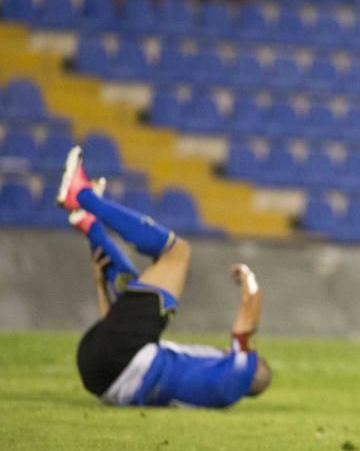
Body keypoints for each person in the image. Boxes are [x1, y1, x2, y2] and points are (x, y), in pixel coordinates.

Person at [56, 145, 272, 407]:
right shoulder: (211, 386)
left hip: (124, 358)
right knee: (138, 290)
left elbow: (251, 308)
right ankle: (91, 225)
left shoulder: (239, 374)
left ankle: (83, 196)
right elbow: (114, 326)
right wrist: (101, 287)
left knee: (176, 253)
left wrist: (248, 276)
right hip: (98, 375)